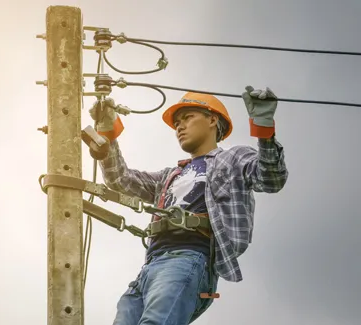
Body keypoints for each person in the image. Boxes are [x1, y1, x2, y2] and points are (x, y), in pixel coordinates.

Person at [92, 86, 289, 325]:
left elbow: (271, 178)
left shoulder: (233, 159)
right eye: (177, 123)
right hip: (150, 268)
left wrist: (263, 128)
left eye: (188, 118)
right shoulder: (170, 176)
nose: (179, 127)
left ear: (212, 120)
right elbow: (120, 180)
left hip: (189, 259)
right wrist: (108, 132)